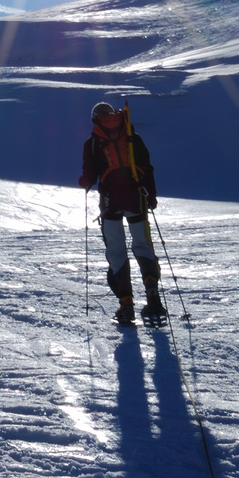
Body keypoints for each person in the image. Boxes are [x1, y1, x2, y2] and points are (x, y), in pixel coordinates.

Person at [79, 101, 166, 325]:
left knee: (116, 250)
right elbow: (147, 168)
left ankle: (126, 304)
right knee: (143, 245)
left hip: (110, 202)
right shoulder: (132, 137)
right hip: (136, 197)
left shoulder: (92, 143)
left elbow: (89, 176)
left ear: (95, 119)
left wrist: (85, 183)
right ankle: (153, 295)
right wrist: (151, 196)